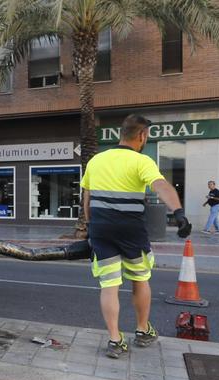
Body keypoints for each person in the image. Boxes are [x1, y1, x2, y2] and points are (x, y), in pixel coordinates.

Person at [81, 115, 191, 360]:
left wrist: (90, 227)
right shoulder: (141, 161)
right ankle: (142, 330)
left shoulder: (96, 160)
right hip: (131, 230)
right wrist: (179, 213)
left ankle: (115, 340)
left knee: (109, 285)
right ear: (142, 136)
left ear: (121, 133)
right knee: (140, 279)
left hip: (101, 228)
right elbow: (161, 185)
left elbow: (87, 197)